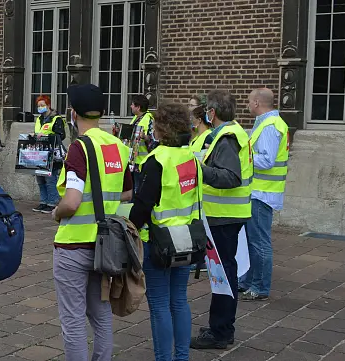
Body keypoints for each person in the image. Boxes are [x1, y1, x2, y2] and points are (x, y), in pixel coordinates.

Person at [51, 84, 132, 361]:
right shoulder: (119, 147)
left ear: (73, 114)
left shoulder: (79, 148)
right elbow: (128, 191)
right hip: (105, 245)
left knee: (72, 319)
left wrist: (56, 212)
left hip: (73, 245)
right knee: (100, 313)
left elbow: (72, 202)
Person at [128, 102, 198, 361]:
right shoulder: (190, 156)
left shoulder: (157, 160)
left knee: (159, 304)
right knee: (178, 301)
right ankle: (182, 357)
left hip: (158, 241)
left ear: (161, 129)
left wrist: (130, 227)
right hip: (186, 239)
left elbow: (143, 205)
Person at [190, 90, 252, 350]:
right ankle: (221, 327)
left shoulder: (227, 138)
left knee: (223, 274)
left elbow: (230, 177)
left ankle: (221, 332)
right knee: (224, 272)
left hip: (224, 217)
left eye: (207, 110)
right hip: (226, 215)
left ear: (212, 113)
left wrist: (200, 169)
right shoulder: (232, 132)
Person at [240, 88, 288, 302]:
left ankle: (259, 287)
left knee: (259, 242)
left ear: (257, 102)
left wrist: (242, 157)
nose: (248, 105)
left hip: (262, 192)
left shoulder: (270, 126)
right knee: (253, 241)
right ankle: (248, 281)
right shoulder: (268, 123)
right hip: (259, 191)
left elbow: (267, 160)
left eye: (249, 101)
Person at [32, 95, 68, 214]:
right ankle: (43, 201)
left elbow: (61, 135)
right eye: (38, 106)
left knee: (50, 179)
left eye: (42, 105)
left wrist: (47, 136)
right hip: (40, 152)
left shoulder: (56, 119)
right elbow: (38, 132)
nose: (40, 107)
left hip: (52, 153)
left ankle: (52, 202)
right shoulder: (39, 119)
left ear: (48, 105)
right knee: (40, 178)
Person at [130, 94, 154, 184]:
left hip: (143, 162)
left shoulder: (149, 119)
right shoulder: (136, 118)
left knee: (139, 187)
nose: (131, 106)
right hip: (133, 161)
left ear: (138, 107)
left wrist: (144, 136)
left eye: (132, 104)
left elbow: (154, 139)